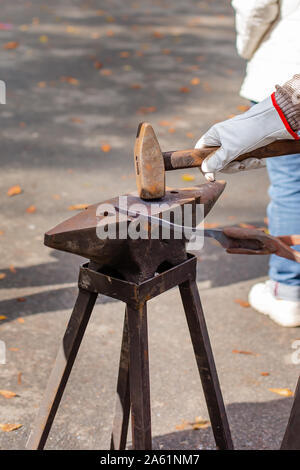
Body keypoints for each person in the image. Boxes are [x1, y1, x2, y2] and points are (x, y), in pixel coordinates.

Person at [196, 0, 300, 328]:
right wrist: (282, 112)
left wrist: (247, 44)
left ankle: (288, 290)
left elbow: (256, 5)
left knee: (291, 186)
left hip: (280, 56)